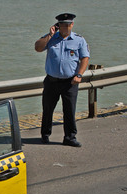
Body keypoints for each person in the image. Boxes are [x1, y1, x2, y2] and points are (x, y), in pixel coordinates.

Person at [34, 12, 90, 147]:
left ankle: (70, 138)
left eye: (67, 25)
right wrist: (49, 35)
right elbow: (38, 48)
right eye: (62, 25)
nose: (65, 27)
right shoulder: (51, 38)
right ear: (57, 25)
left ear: (72, 24)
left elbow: (85, 58)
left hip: (70, 82)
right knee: (48, 109)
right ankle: (45, 135)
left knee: (69, 110)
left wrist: (79, 75)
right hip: (51, 81)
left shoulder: (79, 40)